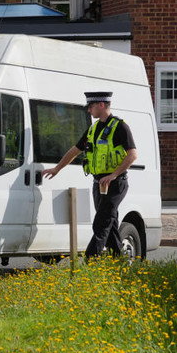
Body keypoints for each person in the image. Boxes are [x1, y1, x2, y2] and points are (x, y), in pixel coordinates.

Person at [41, 91, 138, 257]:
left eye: (91, 107)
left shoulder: (120, 127)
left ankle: (89, 262)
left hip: (115, 183)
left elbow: (132, 155)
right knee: (110, 224)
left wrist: (113, 175)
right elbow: (75, 151)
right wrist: (57, 169)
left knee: (101, 224)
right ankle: (119, 262)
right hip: (98, 183)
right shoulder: (93, 130)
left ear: (101, 105)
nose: (89, 110)